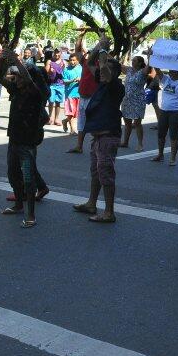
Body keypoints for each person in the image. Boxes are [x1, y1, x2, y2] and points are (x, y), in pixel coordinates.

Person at [73, 46, 125, 223]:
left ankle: (109, 212)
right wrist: (99, 46)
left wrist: (104, 56)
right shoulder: (102, 82)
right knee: (96, 172)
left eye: (107, 69)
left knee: (106, 173)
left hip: (108, 136)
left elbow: (103, 68)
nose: (102, 71)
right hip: (98, 137)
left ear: (115, 73)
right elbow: (89, 62)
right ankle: (91, 203)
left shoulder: (116, 86)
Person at [0, 49, 47, 228]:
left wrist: (16, 60)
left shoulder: (34, 94)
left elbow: (26, 78)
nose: (15, 79)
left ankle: (31, 215)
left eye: (18, 77)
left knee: (28, 179)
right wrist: (2, 60)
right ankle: (19, 204)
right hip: (14, 140)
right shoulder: (16, 91)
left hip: (27, 143)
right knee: (13, 174)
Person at [67, 29, 105, 154]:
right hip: (83, 97)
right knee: (81, 123)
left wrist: (101, 35)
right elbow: (77, 50)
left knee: (94, 123)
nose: (86, 55)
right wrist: (81, 35)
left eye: (89, 54)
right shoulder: (84, 63)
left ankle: (97, 146)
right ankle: (79, 146)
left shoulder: (97, 65)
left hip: (92, 98)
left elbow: (99, 48)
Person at [152, 55, 178, 166]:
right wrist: (152, 56)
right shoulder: (166, 79)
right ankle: (160, 154)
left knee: (173, 135)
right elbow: (157, 70)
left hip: (176, 112)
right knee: (161, 134)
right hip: (164, 111)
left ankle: (173, 158)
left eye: (173, 70)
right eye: (170, 70)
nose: (170, 71)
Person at [120, 55, 151, 150]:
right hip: (127, 100)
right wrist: (104, 52)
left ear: (140, 63)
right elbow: (118, 64)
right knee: (127, 122)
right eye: (132, 60)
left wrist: (150, 56)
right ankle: (125, 142)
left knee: (137, 123)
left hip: (138, 100)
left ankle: (140, 144)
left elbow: (149, 66)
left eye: (134, 60)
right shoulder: (129, 70)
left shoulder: (143, 72)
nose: (132, 62)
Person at [61, 53, 82, 134]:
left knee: (76, 114)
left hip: (79, 94)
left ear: (77, 61)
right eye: (71, 60)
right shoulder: (66, 70)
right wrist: (72, 80)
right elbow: (64, 81)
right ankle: (72, 130)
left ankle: (65, 121)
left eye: (74, 60)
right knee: (70, 113)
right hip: (70, 94)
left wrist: (81, 80)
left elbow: (84, 78)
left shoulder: (81, 68)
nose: (72, 62)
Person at [45, 49, 66, 126]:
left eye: (58, 54)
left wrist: (63, 68)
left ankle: (56, 118)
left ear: (61, 54)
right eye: (55, 54)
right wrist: (50, 71)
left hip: (60, 85)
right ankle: (50, 117)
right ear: (53, 54)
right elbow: (46, 72)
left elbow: (65, 73)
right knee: (51, 101)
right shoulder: (49, 61)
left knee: (58, 102)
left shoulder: (64, 62)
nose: (57, 56)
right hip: (52, 84)